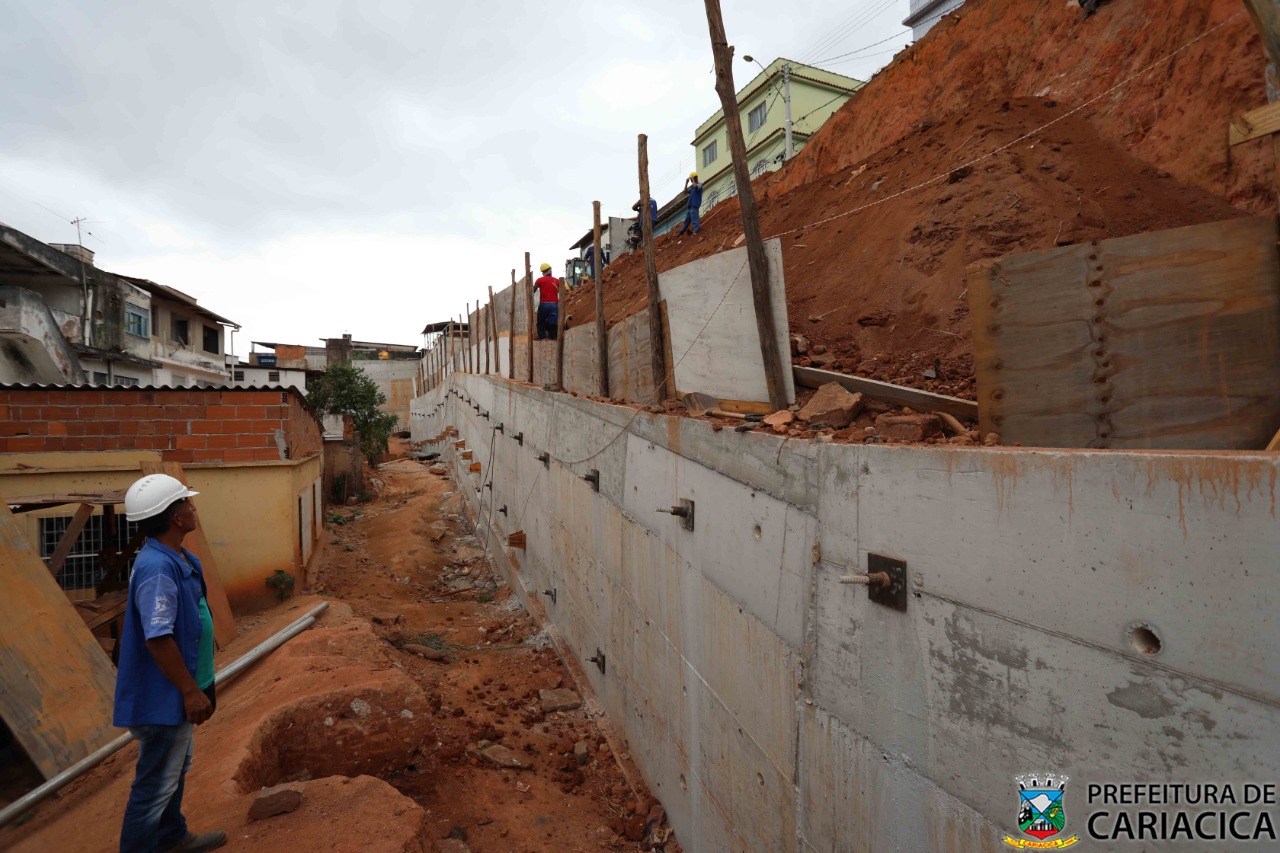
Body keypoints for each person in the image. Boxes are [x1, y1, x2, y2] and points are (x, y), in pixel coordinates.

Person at [115, 474, 225, 853]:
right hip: (163, 698)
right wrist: (190, 691)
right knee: (154, 785)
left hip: (177, 693)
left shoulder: (176, 558)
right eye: (188, 504)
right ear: (176, 518)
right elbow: (158, 637)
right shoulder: (157, 569)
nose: (194, 508)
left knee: (174, 770)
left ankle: (171, 837)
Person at [534, 262, 560, 341]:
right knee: (553, 323)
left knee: (540, 322)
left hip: (543, 305)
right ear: (550, 270)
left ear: (542, 272)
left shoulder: (540, 280)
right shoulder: (557, 281)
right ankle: (552, 338)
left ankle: (543, 338)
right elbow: (563, 291)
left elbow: (533, 290)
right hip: (554, 306)